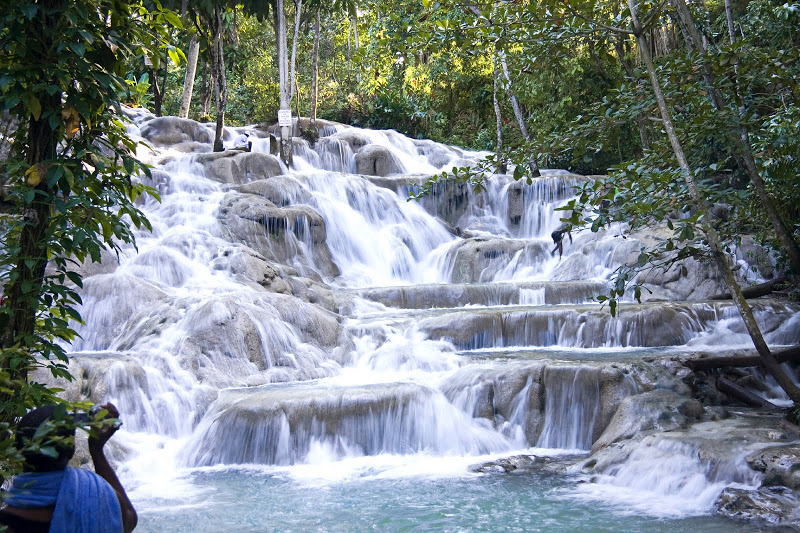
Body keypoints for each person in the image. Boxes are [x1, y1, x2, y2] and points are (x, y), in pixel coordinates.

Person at [0, 403, 137, 533]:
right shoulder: (96, 494)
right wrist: (96, 450)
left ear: (17, 451)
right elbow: (128, 517)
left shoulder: (7, 522)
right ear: (71, 451)